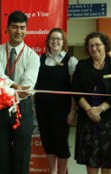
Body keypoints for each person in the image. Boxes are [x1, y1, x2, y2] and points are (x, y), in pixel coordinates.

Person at [0, 10, 40, 174]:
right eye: (15, 27)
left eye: (22, 27)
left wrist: (14, 87)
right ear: (7, 29)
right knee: (2, 155)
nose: (19, 31)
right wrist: (15, 86)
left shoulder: (32, 56)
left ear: (26, 29)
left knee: (22, 155)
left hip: (22, 108)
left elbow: (28, 84)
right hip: (0, 107)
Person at [72, 31, 111, 174]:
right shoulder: (82, 65)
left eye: (97, 45)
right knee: (91, 159)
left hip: (110, 120)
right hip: (88, 119)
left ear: (105, 45)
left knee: (109, 161)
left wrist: (100, 109)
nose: (94, 48)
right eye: (90, 45)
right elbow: (76, 90)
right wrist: (90, 110)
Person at [34, 28, 78, 174]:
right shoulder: (39, 59)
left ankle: (62, 172)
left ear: (63, 41)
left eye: (59, 39)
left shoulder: (70, 61)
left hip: (62, 111)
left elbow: (74, 91)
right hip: (42, 110)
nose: (55, 41)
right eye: (52, 38)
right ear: (48, 41)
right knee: (48, 142)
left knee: (61, 144)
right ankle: (52, 171)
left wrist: (72, 112)